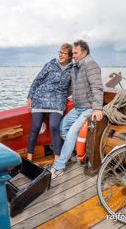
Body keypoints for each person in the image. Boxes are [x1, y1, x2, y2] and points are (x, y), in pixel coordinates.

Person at [50, 40, 103, 178]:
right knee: (62, 129)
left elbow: (97, 87)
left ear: (84, 52)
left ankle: (59, 166)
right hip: (78, 107)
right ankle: (77, 152)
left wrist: (97, 108)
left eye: (75, 53)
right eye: (72, 53)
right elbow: (71, 88)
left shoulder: (91, 65)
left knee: (71, 133)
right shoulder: (75, 66)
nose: (73, 55)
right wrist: (56, 97)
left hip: (88, 108)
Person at [26, 43, 73, 161]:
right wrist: (30, 96)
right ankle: (29, 157)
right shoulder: (50, 65)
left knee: (54, 126)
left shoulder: (73, 70)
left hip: (57, 101)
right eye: (60, 52)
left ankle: (57, 159)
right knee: (35, 126)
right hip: (40, 98)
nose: (61, 55)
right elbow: (37, 80)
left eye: (64, 53)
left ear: (70, 56)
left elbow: (71, 88)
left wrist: (62, 96)